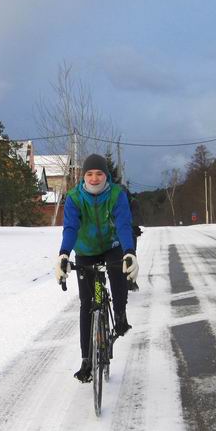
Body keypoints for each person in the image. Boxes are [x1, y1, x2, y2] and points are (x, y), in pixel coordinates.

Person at [55, 154, 139, 383]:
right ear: (84, 176)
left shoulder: (116, 195)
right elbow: (70, 228)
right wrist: (64, 254)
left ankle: (120, 314)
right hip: (86, 251)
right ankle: (86, 361)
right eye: (89, 174)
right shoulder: (74, 198)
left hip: (111, 246)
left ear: (106, 175)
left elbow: (123, 224)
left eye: (99, 173)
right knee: (87, 304)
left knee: (118, 274)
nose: (94, 178)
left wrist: (129, 251)